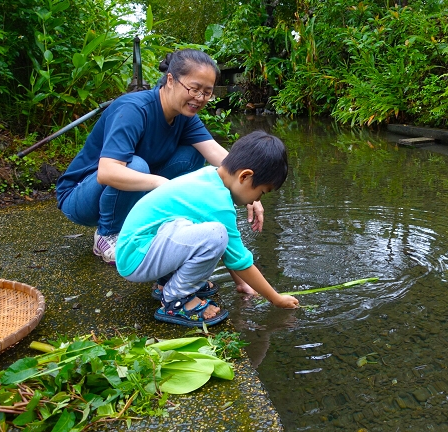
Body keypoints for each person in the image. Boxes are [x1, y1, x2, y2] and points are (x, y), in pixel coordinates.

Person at [55, 49, 264, 294]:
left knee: (193, 154)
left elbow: (224, 162)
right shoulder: (134, 109)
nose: (200, 97)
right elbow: (107, 173)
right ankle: (107, 234)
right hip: (81, 197)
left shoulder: (185, 117)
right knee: (136, 166)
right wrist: (161, 183)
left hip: (129, 189)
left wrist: (250, 190)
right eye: (194, 88)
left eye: (207, 92)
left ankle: (156, 222)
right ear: (171, 80)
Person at [115, 130, 300, 327]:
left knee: (210, 233)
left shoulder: (210, 176)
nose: (256, 200)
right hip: (137, 259)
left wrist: (241, 283)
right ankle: (177, 300)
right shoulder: (218, 202)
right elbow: (239, 259)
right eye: (261, 192)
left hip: (139, 248)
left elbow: (231, 252)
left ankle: (168, 282)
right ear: (245, 176)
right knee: (215, 235)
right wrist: (275, 298)